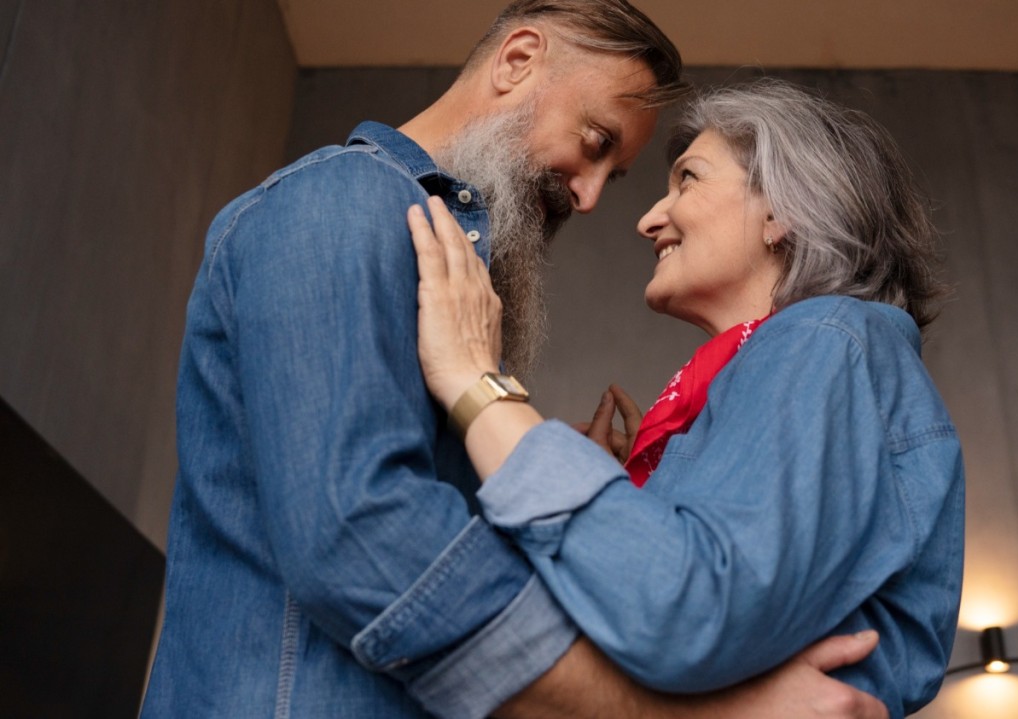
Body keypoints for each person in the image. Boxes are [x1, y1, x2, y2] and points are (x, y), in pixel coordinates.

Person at [142, 2, 890, 718]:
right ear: (518, 61)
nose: (589, 198)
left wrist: (564, 500)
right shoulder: (339, 202)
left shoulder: (434, 258)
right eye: (595, 142)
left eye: (612, 174)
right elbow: (362, 536)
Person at [409, 79, 965, 719]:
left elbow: (690, 611)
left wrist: (478, 386)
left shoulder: (824, 336)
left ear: (782, 211)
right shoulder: (788, 367)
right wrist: (626, 501)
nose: (648, 219)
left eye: (688, 180)